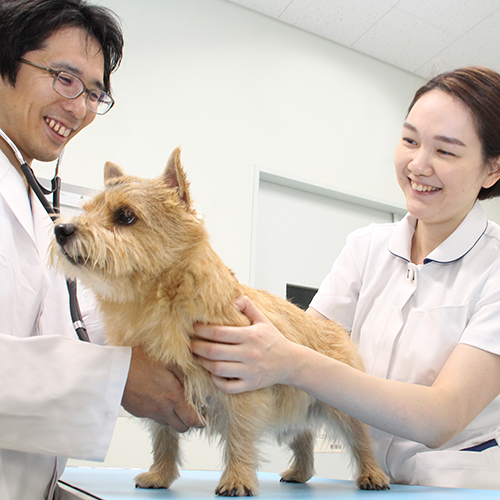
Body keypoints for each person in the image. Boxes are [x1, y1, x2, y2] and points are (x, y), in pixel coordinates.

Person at [192, 67, 500, 490]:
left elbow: (442, 416)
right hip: (362, 483)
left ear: (492, 170)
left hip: (455, 485)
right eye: (410, 140)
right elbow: (310, 339)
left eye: (445, 152)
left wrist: (291, 362)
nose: (418, 164)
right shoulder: (366, 247)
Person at [0, 1, 200, 499]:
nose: (80, 108)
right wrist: (116, 377)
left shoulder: (26, 190)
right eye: (65, 78)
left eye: (94, 93)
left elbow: (58, 320)